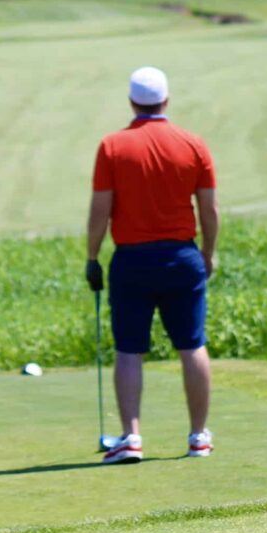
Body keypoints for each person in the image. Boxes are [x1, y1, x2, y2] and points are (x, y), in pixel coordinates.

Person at [85, 66, 219, 464]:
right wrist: (208, 253)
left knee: (129, 350)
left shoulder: (112, 146)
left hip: (131, 260)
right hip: (182, 257)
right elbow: (209, 210)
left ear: (131, 101)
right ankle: (198, 437)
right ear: (166, 100)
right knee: (191, 344)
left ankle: (132, 438)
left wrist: (92, 257)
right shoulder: (193, 144)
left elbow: (100, 213)